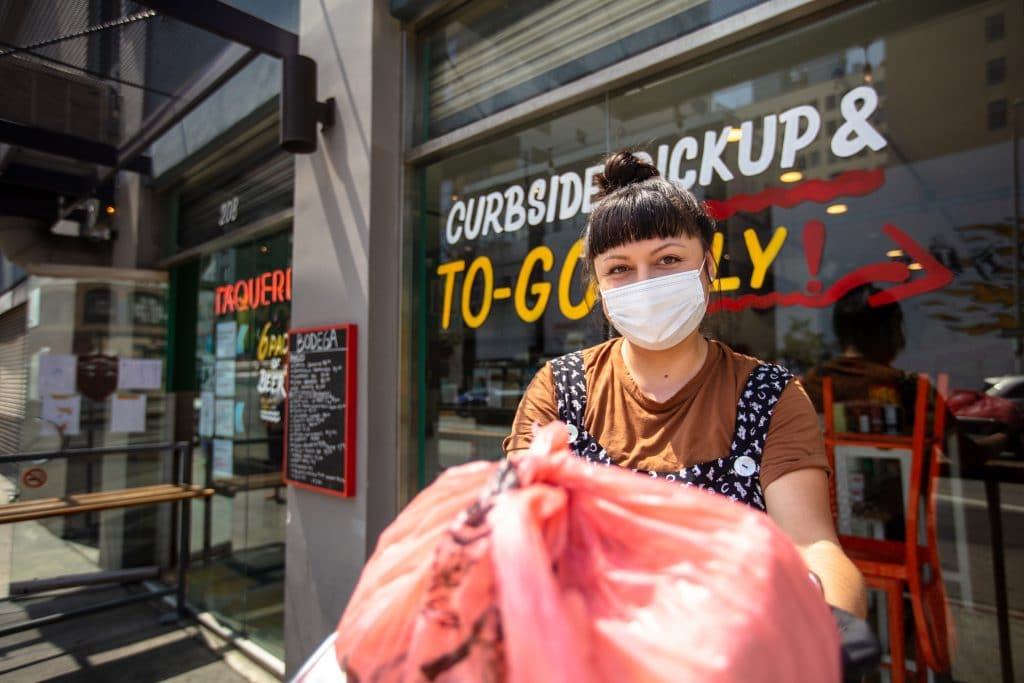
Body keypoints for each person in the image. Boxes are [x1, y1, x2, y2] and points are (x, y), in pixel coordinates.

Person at [504, 150, 867, 618]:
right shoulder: (559, 390)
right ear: (597, 287)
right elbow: (515, 533)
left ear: (709, 267)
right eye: (619, 269)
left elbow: (813, 545)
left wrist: (828, 627)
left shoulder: (770, 396)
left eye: (668, 259)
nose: (645, 282)